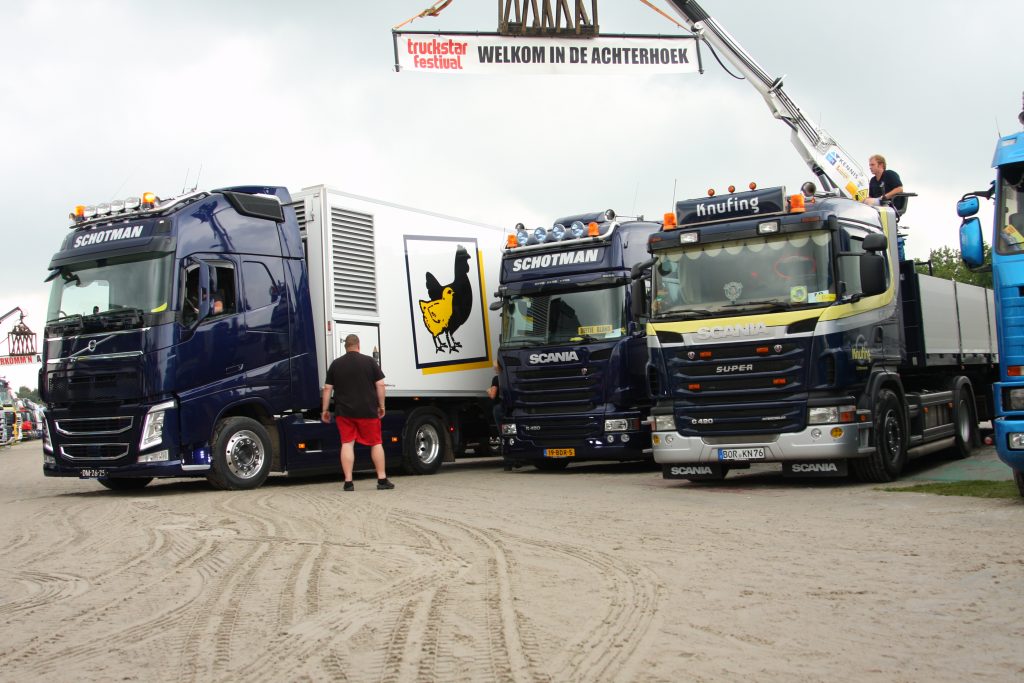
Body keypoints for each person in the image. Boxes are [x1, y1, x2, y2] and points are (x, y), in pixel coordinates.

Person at [321, 333, 394, 491]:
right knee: (376, 443)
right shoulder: (369, 361)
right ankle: (382, 479)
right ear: (358, 345)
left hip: (344, 413)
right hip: (367, 411)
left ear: (346, 346)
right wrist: (382, 406)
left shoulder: (336, 364)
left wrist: (325, 410)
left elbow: (327, 388)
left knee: (347, 443)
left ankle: (348, 482)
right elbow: (380, 385)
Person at [487, 361, 503, 430]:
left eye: (495, 368)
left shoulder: (496, 379)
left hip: (499, 407)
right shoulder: (508, 377)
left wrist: (488, 391)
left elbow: (493, 395)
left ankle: (503, 440)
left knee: (501, 429)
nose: (494, 369)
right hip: (510, 407)